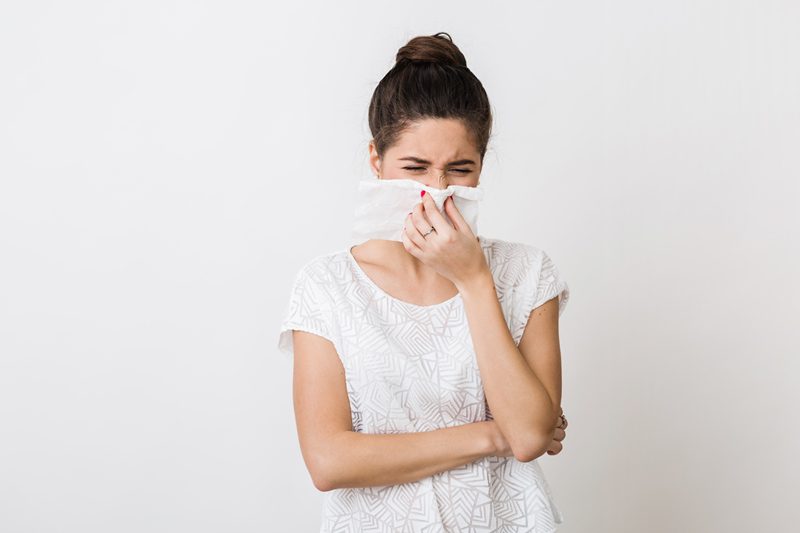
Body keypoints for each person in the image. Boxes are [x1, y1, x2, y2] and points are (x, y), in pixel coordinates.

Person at [278, 32, 570, 533]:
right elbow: (329, 461)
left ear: (481, 167)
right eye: (415, 168)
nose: (436, 192)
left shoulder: (526, 273)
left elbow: (527, 437)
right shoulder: (326, 287)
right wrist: (488, 436)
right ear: (377, 161)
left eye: (460, 170)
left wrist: (474, 278)